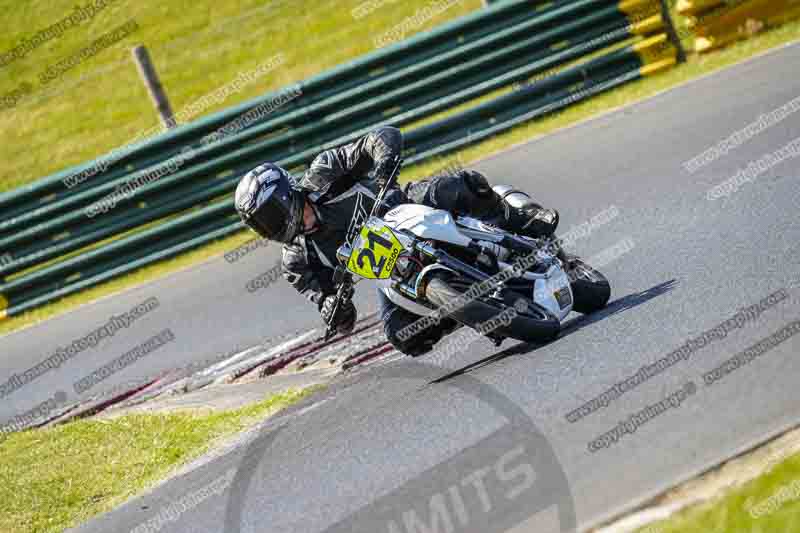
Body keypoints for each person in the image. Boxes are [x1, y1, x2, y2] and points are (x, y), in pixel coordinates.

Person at [234, 126, 560, 356]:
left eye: (270, 215)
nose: (271, 227)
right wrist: (334, 308)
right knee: (401, 335)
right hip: (395, 272)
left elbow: (381, 137)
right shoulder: (297, 260)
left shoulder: (324, 173)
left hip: (406, 207)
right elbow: (335, 311)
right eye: (261, 225)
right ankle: (470, 308)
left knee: (458, 187)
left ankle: (521, 217)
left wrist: (384, 168)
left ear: (285, 195)